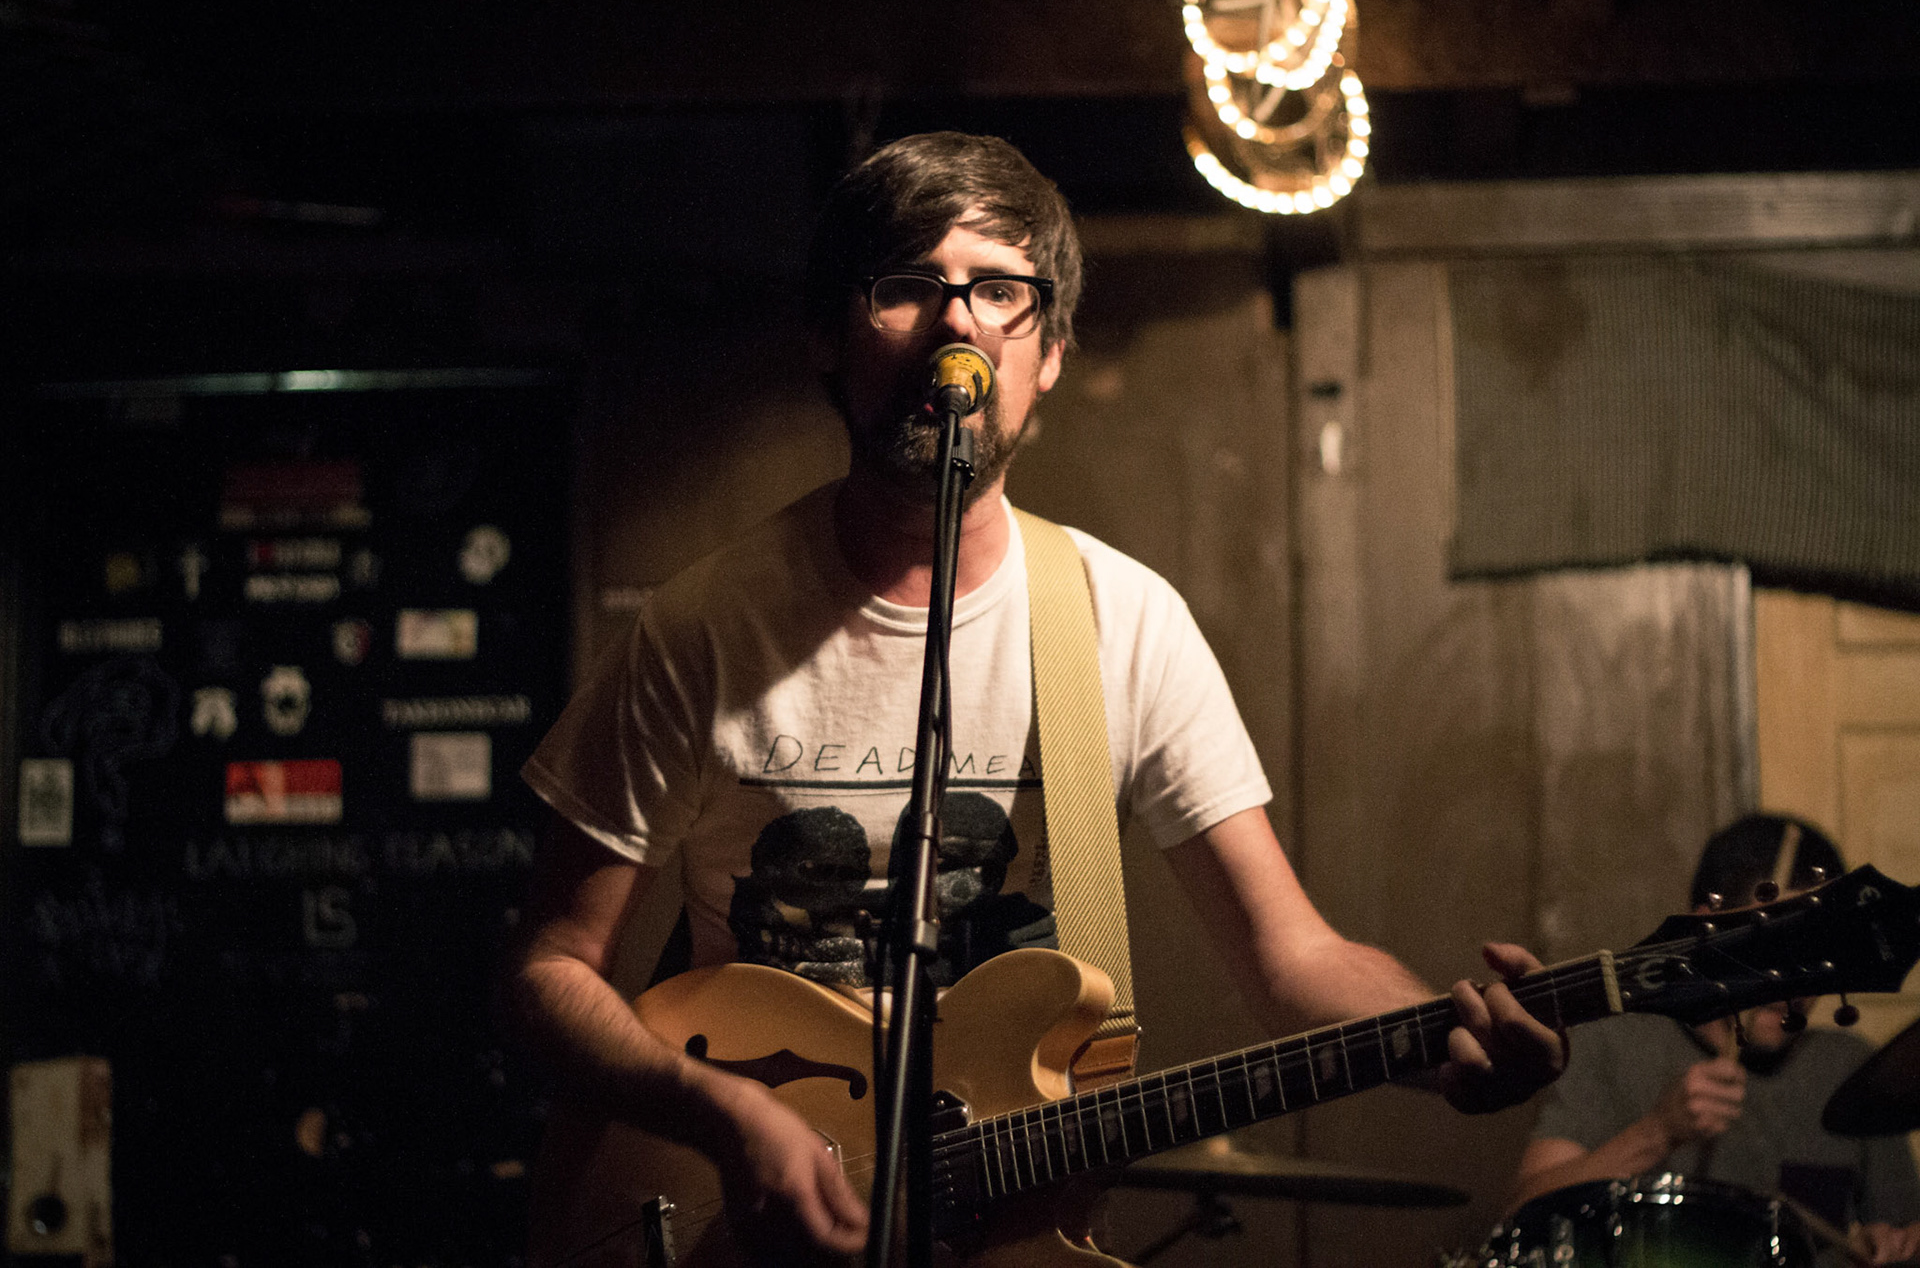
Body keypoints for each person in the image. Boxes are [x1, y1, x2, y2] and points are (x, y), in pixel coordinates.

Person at [498, 130, 1566, 1265]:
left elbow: (1292, 956)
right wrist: (723, 1115)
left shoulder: (1122, 619)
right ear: (827, 333)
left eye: (1001, 290)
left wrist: (1432, 1037)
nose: (958, 322)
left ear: (1047, 351)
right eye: (910, 286)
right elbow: (545, 971)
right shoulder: (702, 627)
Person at [1513, 812, 1920, 1265]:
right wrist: (1657, 1132)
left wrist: (1890, 1244)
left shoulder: (1851, 1066)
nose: (1800, 982)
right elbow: (1522, 1214)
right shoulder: (1614, 1046)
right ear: (1710, 932)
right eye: (1783, 947)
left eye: (1822, 953)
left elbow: (1903, 1230)